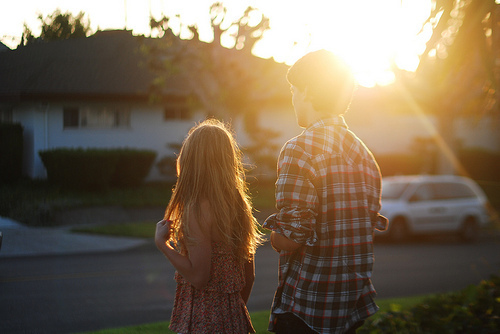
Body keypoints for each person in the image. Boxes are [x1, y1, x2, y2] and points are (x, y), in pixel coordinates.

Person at [262, 50, 388, 334]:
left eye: (294, 90)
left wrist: (271, 235)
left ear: (306, 91)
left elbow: (291, 238)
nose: (292, 98)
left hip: (307, 309)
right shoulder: (365, 155)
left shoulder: (299, 149)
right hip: (348, 308)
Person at [155, 119, 263, 334]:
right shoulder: (238, 205)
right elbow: (248, 275)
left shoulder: (197, 208)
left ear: (191, 160)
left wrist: (163, 244)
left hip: (202, 318)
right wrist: (231, 310)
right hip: (233, 316)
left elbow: (199, 277)